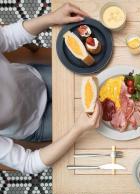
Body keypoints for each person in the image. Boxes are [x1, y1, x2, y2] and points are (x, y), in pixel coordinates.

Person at [0, 3, 103, 174]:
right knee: (97, 125)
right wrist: (78, 129)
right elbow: (28, 164)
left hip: (36, 77)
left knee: (99, 83)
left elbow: (7, 37)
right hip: (35, 125)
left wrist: (52, 17)